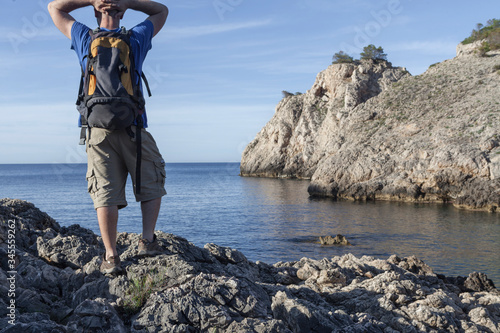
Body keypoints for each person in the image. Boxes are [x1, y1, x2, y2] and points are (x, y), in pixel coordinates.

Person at [48, 0, 169, 274]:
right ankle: (147, 241)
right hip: (134, 126)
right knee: (150, 177)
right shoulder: (136, 37)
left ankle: (112, 257)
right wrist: (129, 2)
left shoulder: (83, 36)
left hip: (96, 130)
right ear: (123, 12)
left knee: (104, 191)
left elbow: (54, 8)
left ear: (95, 12)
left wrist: (90, 0)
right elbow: (161, 11)